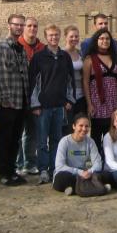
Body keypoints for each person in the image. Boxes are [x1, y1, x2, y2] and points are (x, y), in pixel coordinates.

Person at [29, 24, 75, 184]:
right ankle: (43, 170)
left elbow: (70, 81)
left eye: (56, 35)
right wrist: (35, 105)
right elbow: (33, 83)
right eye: (50, 35)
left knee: (57, 139)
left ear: (59, 36)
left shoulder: (65, 57)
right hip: (43, 106)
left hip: (59, 106)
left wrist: (69, 100)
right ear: (46, 37)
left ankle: (54, 168)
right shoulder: (39, 57)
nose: (54, 38)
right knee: (42, 141)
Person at [0, 13, 30, 187]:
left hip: (20, 101)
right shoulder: (2, 48)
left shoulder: (19, 48)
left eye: (22, 25)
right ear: (9, 25)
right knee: (4, 138)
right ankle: (3, 173)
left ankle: (12, 170)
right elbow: (0, 76)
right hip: (7, 102)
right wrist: (5, 100)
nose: (19, 28)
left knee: (15, 138)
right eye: (16, 25)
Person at [83, 28, 117, 152]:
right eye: (101, 38)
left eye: (107, 39)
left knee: (112, 132)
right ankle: (96, 160)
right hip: (98, 101)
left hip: (114, 101)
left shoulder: (115, 57)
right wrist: (89, 104)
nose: (104, 41)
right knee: (97, 133)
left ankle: (111, 159)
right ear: (96, 41)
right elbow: (85, 82)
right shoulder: (89, 59)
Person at [52, 113, 109, 196]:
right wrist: (79, 172)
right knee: (61, 178)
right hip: (71, 174)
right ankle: (94, 187)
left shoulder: (90, 142)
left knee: (106, 175)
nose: (84, 129)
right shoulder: (64, 141)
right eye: (81, 126)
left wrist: (89, 171)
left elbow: (98, 163)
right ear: (74, 126)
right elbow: (59, 166)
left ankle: (75, 189)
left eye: (86, 126)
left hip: (85, 175)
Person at [16, 16, 43, 176]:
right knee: (18, 133)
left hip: (36, 98)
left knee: (32, 132)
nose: (32, 29)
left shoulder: (41, 48)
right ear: (24, 28)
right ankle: (18, 164)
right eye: (29, 26)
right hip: (19, 96)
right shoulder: (16, 45)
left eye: (35, 26)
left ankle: (30, 163)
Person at [64, 25, 85, 134]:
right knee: (68, 128)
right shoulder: (62, 54)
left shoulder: (80, 53)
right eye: (71, 36)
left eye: (76, 36)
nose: (74, 39)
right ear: (65, 37)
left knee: (80, 127)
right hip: (69, 97)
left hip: (81, 95)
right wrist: (65, 99)